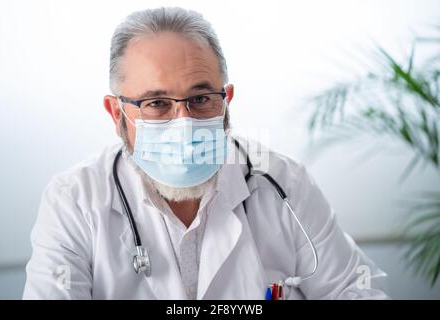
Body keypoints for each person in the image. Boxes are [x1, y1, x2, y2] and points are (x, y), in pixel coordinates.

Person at [23, 7, 389, 300]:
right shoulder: (74, 201)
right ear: (116, 112)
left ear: (226, 100)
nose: (183, 122)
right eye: (157, 103)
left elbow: (356, 290)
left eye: (200, 99)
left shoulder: (283, 182)